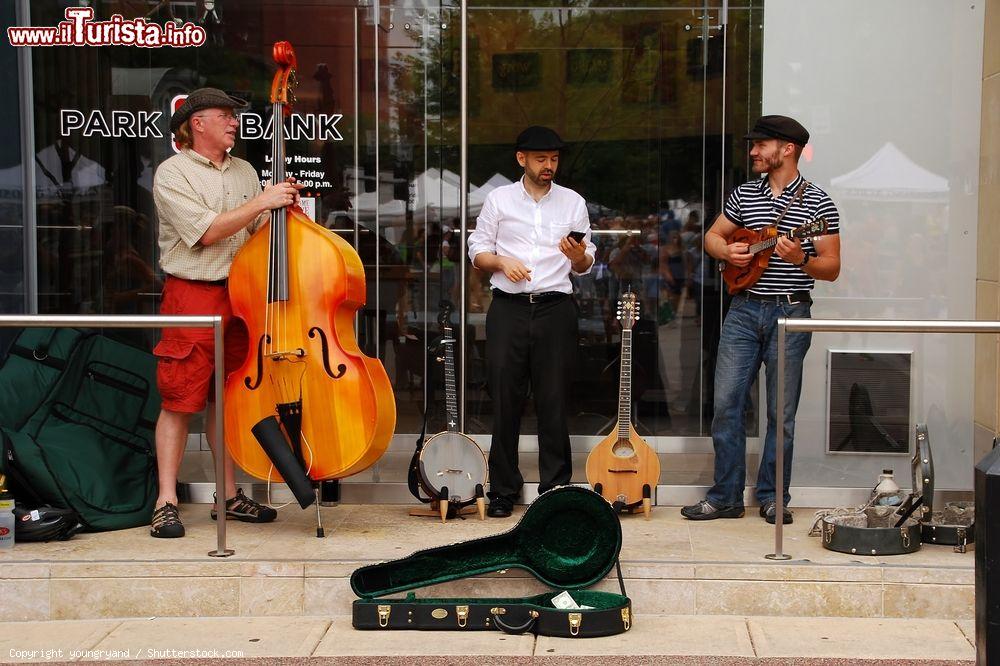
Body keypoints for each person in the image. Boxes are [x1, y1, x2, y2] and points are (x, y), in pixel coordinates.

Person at [150, 88, 303, 538]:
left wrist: (284, 211)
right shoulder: (172, 173)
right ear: (197, 123)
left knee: (227, 401)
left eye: (234, 116)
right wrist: (262, 201)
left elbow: (253, 231)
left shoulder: (245, 171)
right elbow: (206, 234)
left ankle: (229, 494)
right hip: (192, 294)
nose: (234, 122)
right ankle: (166, 500)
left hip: (240, 296)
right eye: (225, 115)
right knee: (180, 400)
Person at [681, 115, 841, 525]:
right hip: (744, 309)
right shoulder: (745, 194)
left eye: (760, 145)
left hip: (791, 311)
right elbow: (713, 236)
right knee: (726, 405)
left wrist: (800, 257)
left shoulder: (818, 204)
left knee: (780, 414)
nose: (752, 151)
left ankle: (773, 497)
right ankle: (726, 497)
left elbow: (832, 266)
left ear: (787, 149)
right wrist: (725, 253)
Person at [467, 125, 595, 518]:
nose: (549, 166)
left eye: (554, 159)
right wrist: (501, 261)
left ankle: (555, 489)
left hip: (556, 308)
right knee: (505, 398)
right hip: (508, 307)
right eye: (541, 159)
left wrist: (576, 257)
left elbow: (587, 261)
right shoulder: (499, 199)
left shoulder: (573, 202)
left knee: (554, 399)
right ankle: (504, 489)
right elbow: (477, 249)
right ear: (521, 159)